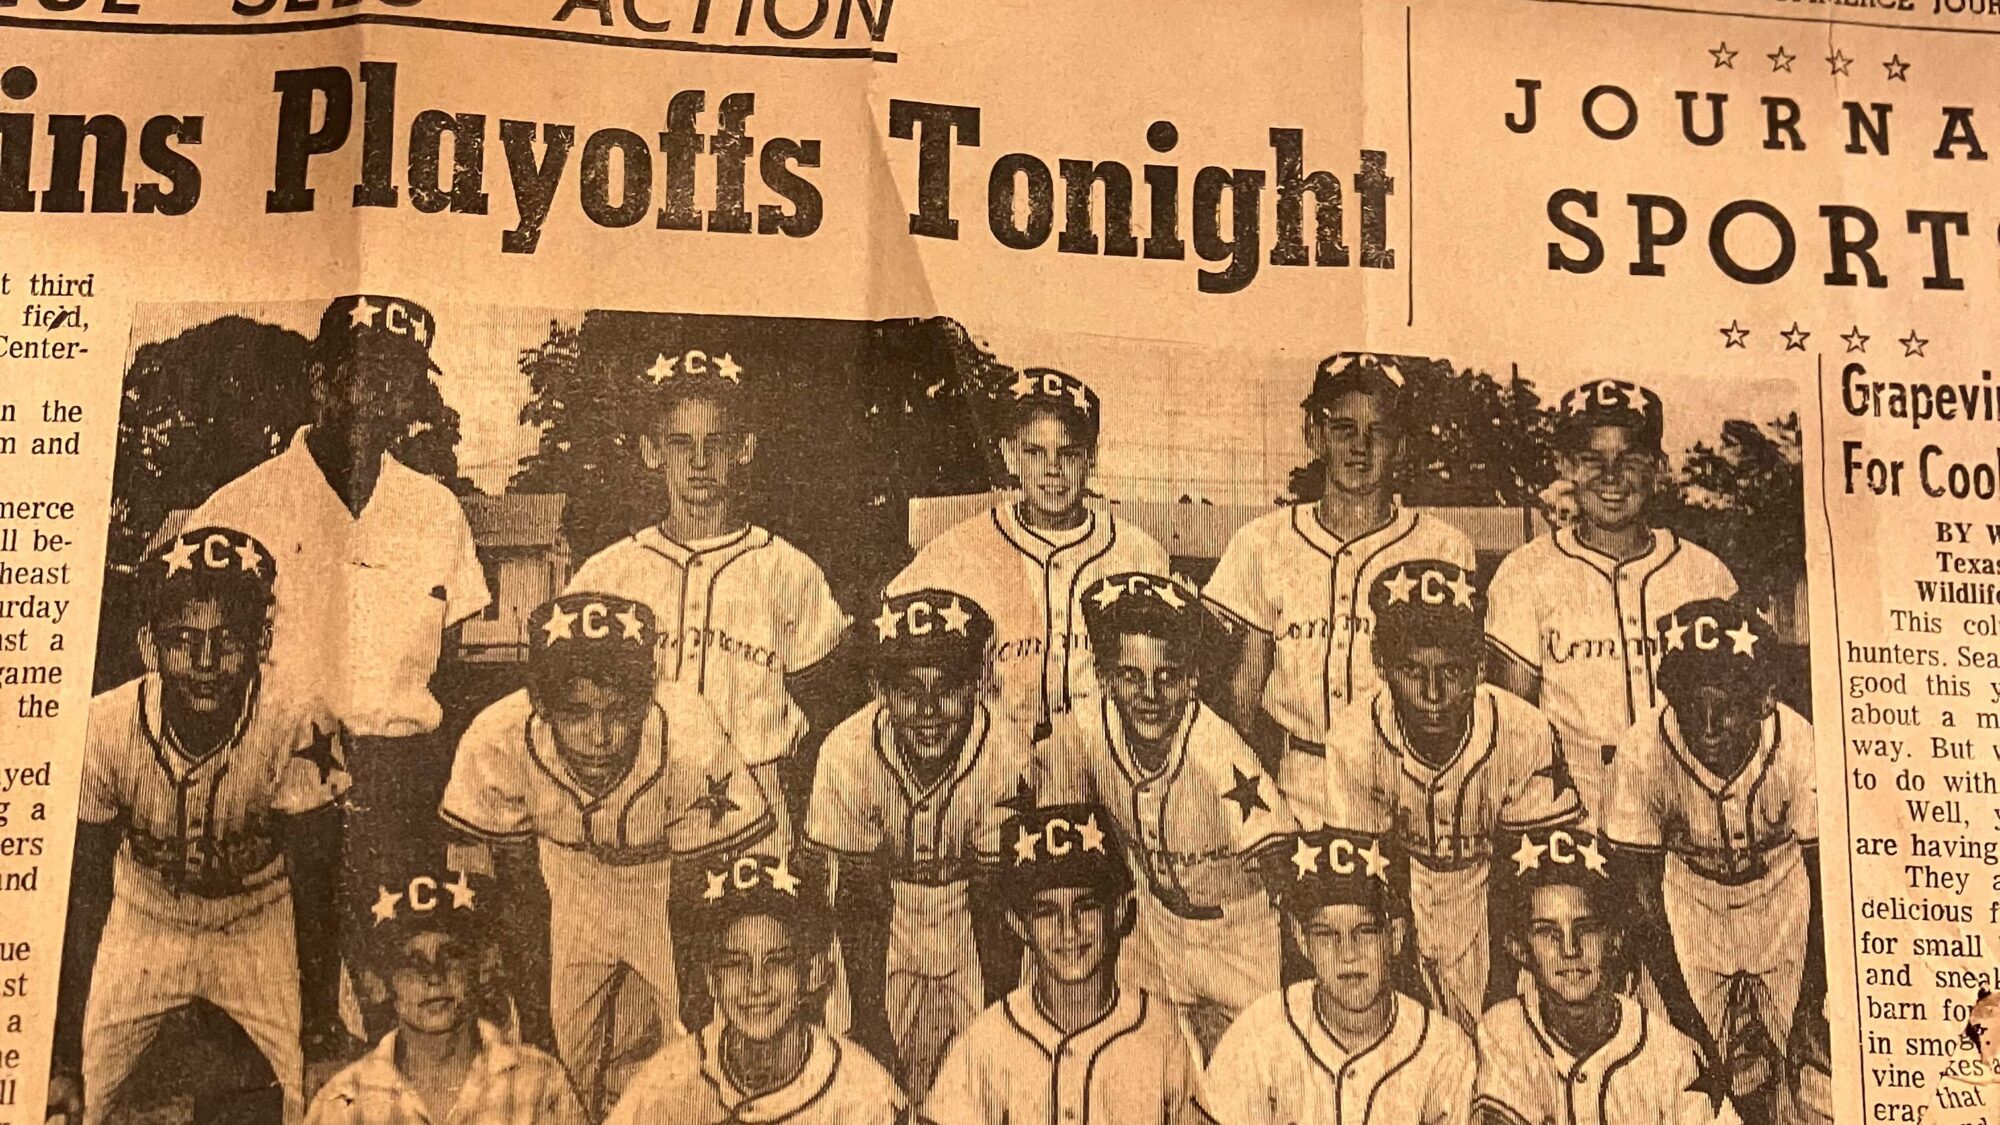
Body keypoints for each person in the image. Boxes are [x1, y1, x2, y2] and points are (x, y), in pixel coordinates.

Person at [187, 295, 489, 1011]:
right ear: (320, 381)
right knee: (278, 1005)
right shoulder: (238, 508)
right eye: (364, 375)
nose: (383, 397)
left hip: (400, 786)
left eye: (402, 379)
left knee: (403, 998)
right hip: (277, 785)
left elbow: (455, 661)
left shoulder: (435, 508)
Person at [52, 527, 347, 1125]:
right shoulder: (104, 729)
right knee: (73, 1090)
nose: (208, 662)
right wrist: (59, 1053)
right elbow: (82, 893)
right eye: (184, 640)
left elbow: (318, 886)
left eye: (228, 638)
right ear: (148, 645)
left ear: (261, 639)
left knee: (327, 1095)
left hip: (258, 916)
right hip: (147, 915)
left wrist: (319, 1035)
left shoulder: (299, 719)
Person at [439, 592, 774, 1118]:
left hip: (664, 879)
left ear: (646, 698)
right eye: (576, 713)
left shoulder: (688, 737)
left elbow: (698, 890)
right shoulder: (496, 739)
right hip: (566, 876)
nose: (599, 735)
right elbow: (518, 887)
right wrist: (535, 1014)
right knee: (551, 1048)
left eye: (618, 712)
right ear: (541, 703)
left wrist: (692, 991)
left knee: (698, 1035)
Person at [565, 347, 849, 851]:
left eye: (715, 443)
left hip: (755, 801)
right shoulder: (606, 573)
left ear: (744, 448)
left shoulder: (788, 569)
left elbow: (829, 718)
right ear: (652, 451)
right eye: (680, 444)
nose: (699, 462)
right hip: (636, 798)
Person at [1205, 352, 1475, 827]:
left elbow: (1463, 690)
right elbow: (1241, 695)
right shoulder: (1263, 542)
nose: (1360, 447)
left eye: (1380, 432)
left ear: (1402, 446)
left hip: (1405, 784)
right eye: (1343, 428)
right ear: (1314, 435)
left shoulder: (1444, 547)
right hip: (1297, 780)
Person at [1040, 571, 1297, 1054]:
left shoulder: (1219, 754)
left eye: (1168, 677)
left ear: (1193, 678)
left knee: (1247, 1081)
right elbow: (1055, 823)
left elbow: (1283, 862)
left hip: (1237, 932)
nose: (1151, 696)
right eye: (1131, 677)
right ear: (1104, 676)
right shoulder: (1083, 730)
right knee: (1144, 1067)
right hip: (1154, 926)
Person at [1323, 559, 1583, 1034]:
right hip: (1410, 885)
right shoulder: (1354, 736)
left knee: (1515, 1029)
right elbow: (1374, 872)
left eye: (1453, 670)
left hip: (1494, 889)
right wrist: (1403, 974)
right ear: (1380, 666)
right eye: (1411, 671)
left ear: (1481, 666)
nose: (1434, 692)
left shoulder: (1523, 730)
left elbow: (1531, 871)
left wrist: (1502, 982)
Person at [803, 590, 1036, 1100]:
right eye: (909, 690)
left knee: (990, 1063)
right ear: (878, 688)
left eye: (947, 688)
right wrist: (869, 1015)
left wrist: (999, 1010)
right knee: (864, 1062)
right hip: (887, 906)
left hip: (967, 908)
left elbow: (993, 893)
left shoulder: (1004, 751)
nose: (929, 710)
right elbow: (860, 894)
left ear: (977, 683)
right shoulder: (846, 753)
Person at [1603, 599, 1823, 1121]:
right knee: (1677, 1068)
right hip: (1689, 901)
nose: (1706, 725)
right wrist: (1689, 1026)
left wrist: (1809, 1006)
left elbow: (1829, 884)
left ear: (1764, 699)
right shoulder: (1643, 750)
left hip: (1783, 896)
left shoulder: (1798, 745)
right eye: (1688, 704)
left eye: (1724, 704)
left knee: (1812, 1074)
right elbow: (1639, 899)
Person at [1484, 378, 1737, 824]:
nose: (1611, 477)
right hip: (1574, 809)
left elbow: (1741, 707)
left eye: (1631, 460)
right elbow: (1512, 724)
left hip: (1690, 803)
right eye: (1590, 460)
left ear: (1658, 468)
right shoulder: (1526, 572)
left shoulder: (1704, 573)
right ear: (1565, 465)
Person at [888, 366, 1169, 742]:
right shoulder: (956, 553)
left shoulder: (1139, 555)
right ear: (1008, 455)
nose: (1053, 470)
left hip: (1106, 768)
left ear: (1092, 459)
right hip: (993, 767)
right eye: (1035, 452)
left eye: (1068, 453)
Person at [923, 803, 1206, 1125]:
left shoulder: (1160, 1032)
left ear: (1117, 912)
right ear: (1018, 923)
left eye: (1085, 907)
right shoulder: (987, 1042)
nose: (1068, 930)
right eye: (1045, 912)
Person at [606, 852, 907, 1124]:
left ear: (813, 973)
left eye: (777, 962)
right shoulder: (668, 1080)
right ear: (712, 978)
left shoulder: (864, 1097)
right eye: (735, 963)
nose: (757, 985)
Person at [1201, 828, 1476, 1125]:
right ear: (1302, 940)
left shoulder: (1444, 1050)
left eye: (1365, 932)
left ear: (1395, 936)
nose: (1347, 954)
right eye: (1326, 934)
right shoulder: (1259, 1034)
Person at [1474, 826, 1738, 1125]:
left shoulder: (1671, 1054)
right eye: (1548, 933)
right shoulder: (1504, 1032)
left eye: (1585, 928)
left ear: (1614, 938)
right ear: (1520, 948)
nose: (1570, 949)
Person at [304, 860, 586, 1124]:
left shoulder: (538, 1081)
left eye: (450, 955)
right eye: (412, 964)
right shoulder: (343, 1102)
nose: (434, 977)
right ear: (379, 984)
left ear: (483, 965)